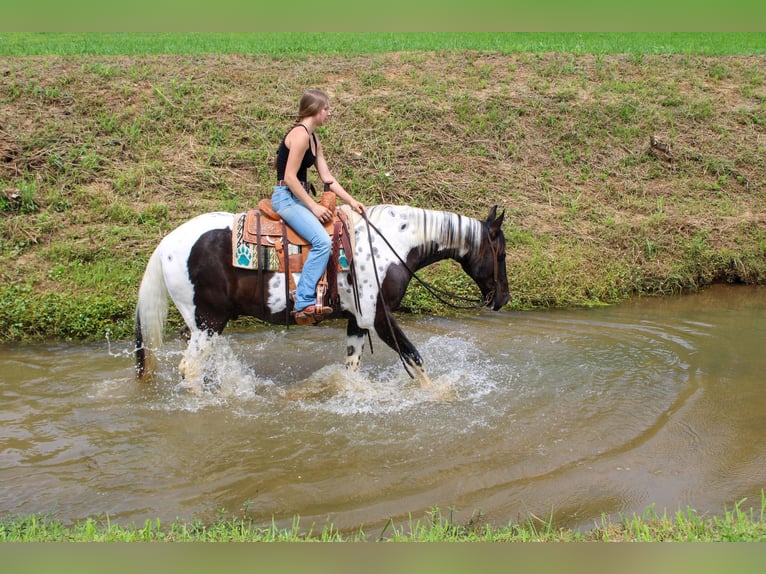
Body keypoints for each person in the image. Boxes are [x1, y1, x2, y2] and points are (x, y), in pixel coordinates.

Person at [272, 89, 365, 324]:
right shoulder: (300, 135)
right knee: (323, 242)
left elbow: (328, 178)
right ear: (314, 110)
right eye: (326, 109)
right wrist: (314, 207)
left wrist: (351, 200)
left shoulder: (313, 139)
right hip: (286, 197)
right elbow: (290, 178)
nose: (329, 113)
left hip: (297, 196)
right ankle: (302, 301)